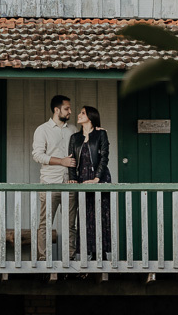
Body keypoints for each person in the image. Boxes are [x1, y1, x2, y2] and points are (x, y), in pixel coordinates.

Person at [31, 94, 77, 261]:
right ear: (57, 110)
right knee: (45, 224)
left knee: (70, 225)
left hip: (70, 183)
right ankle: (43, 259)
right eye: (67, 108)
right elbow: (37, 155)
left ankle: (70, 259)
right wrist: (62, 161)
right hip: (49, 183)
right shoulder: (42, 130)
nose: (70, 111)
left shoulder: (73, 130)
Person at [67, 105, 112, 260]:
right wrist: (72, 177)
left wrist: (97, 178)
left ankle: (102, 253)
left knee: (101, 214)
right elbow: (72, 160)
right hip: (83, 179)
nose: (79, 115)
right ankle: (90, 252)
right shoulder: (75, 138)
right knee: (86, 215)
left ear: (91, 117)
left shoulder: (101, 134)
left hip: (99, 178)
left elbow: (104, 157)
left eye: (83, 113)